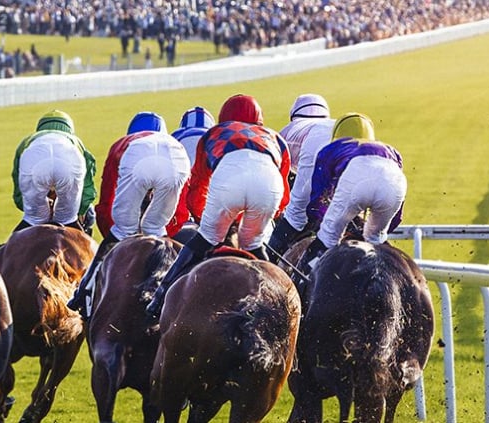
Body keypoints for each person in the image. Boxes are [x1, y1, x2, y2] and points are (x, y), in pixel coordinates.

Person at [145, 94, 290, 320]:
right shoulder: (275, 138)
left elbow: (199, 185)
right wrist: (255, 219)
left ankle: (159, 297)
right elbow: (283, 196)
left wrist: (209, 221)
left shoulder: (214, 133)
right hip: (268, 186)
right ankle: (282, 302)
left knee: (205, 239)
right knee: (253, 243)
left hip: (229, 183)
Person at [66, 112, 191, 317]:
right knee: (156, 230)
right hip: (176, 159)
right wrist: (165, 232)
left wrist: (118, 235)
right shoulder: (172, 144)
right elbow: (181, 211)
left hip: (138, 160)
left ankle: (83, 292)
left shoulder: (122, 145)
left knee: (123, 229)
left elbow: (106, 204)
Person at [294, 113, 407, 278]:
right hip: (394, 184)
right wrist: (381, 231)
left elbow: (318, 195)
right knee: (376, 240)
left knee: (328, 237)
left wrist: (317, 221)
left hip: (357, 183)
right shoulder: (392, 151)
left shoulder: (331, 149)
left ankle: (303, 278)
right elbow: (397, 215)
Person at [266, 94, 335, 260]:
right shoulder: (332, 124)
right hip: (348, 144)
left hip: (312, 149)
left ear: (293, 116)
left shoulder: (285, 132)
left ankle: (267, 259)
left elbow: (275, 181)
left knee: (295, 215)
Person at [10, 110, 97, 233]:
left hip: (34, 160)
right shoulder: (76, 142)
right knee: (68, 220)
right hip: (69, 162)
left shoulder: (27, 142)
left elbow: (19, 193)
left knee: (32, 221)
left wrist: (37, 211)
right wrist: (80, 210)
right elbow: (88, 188)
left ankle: (8, 249)